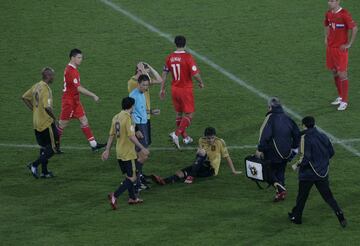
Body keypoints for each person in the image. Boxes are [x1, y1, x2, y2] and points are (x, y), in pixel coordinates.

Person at [288, 116, 347, 227]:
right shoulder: (323, 135)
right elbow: (331, 152)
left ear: (304, 125)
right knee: (329, 197)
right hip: (322, 173)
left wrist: (296, 165)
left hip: (308, 174)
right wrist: (322, 162)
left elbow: (306, 157)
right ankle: (340, 214)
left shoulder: (305, 137)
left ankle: (297, 218)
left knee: (302, 197)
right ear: (314, 124)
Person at [102, 97, 150, 210]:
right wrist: (142, 148)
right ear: (132, 106)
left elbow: (111, 135)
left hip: (119, 152)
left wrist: (107, 150)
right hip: (128, 152)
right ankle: (115, 195)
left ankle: (132, 198)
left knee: (128, 176)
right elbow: (130, 136)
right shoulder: (128, 118)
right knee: (132, 178)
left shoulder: (116, 117)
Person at [152, 127, 241, 185]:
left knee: (198, 157)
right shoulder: (201, 140)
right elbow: (199, 155)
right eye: (208, 138)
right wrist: (198, 152)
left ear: (215, 137)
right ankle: (164, 181)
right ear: (205, 137)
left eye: (212, 138)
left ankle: (191, 176)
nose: (210, 140)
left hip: (211, 169)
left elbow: (227, 157)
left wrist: (233, 171)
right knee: (183, 171)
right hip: (201, 164)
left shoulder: (220, 142)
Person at [160, 35, 205, 149]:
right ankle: (176, 134)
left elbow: (164, 74)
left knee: (179, 113)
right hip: (185, 90)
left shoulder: (169, 57)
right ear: (185, 44)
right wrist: (200, 82)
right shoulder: (188, 57)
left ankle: (185, 137)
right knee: (189, 114)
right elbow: (195, 73)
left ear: (175, 44)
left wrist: (162, 88)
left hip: (174, 89)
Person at [57, 48, 105, 151]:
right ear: (72, 58)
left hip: (75, 100)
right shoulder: (71, 71)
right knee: (62, 124)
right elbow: (78, 88)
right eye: (79, 57)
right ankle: (54, 146)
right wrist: (93, 95)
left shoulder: (72, 69)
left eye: (81, 58)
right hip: (69, 102)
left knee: (84, 120)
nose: (81, 59)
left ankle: (94, 145)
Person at [255, 97, 300, 202]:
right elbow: (297, 134)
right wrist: (293, 148)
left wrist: (260, 149)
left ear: (270, 107)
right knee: (281, 170)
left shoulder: (270, 118)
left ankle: (279, 188)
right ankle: (280, 193)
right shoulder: (288, 118)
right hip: (286, 152)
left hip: (272, 152)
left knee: (267, 171)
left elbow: (265, 135)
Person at [22, 67, 59, 178]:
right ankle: (34, 165)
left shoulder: (36, 86)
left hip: (36, 122)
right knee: (53, 148)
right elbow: (47, 107)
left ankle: (44, 172)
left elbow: (24, 97)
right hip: (46, 123)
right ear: (48, 76)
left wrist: (34, 110)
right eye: (52, 75)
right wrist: (54, 118)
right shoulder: (46, 89)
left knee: (44, 148)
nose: (54, 77)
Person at [325, 0, 357, 111]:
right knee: (334, 72)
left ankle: (344, 101)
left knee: (342, 74)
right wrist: (326, 37)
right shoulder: (328, 13)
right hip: (330, 49)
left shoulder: (344, 14)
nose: (329, 3)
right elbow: (327, 25)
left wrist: (349, 44)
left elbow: (354, 28)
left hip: (340, 50)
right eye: (328, 1)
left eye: (332, 1)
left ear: (338, 1)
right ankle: (340, 96)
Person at [128, 62, 162, 146]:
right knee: (141, 143)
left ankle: (137, 156)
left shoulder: (144, 82)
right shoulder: (133, 82)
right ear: (139, 71)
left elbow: (160, 80)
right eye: (146, 71)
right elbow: (149, 80)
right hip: (137, 117)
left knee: (146, 142)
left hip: (146, 114)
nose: (148, 73)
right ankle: (136, 158)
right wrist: (143, 69)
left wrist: (150, 67)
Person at [129, 75, 151, 192]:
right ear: (138, 84)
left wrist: (151, 112)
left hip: (144, 124)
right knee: (143, 154)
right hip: (139, 126)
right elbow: (130, 113)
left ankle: (138, 179)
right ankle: (135, 182)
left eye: (147, 85)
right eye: (143, 85)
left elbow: (140, 110)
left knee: (140, 155)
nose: (145, 87)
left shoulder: (142, 94)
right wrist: (137, 129)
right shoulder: (133, 95)